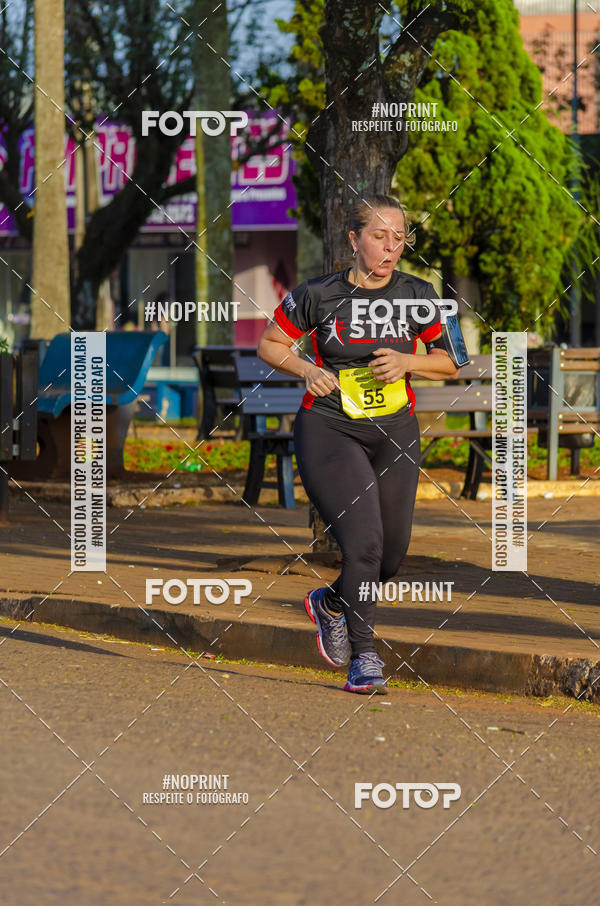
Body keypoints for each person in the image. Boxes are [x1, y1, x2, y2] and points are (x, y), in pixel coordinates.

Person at [257, 194, 460, 694]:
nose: (390, 247)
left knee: (390, 557)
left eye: (399, 237)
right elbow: (269, 344)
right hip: (331, 428)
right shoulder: (318, 294)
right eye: (378, 236)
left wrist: (408, 363)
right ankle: (365, 658)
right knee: (364, 545)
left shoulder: (421, 294)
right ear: (353, 240)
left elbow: (452, 360)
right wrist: (307, 369)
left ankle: (330, 603)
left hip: (396, 431)